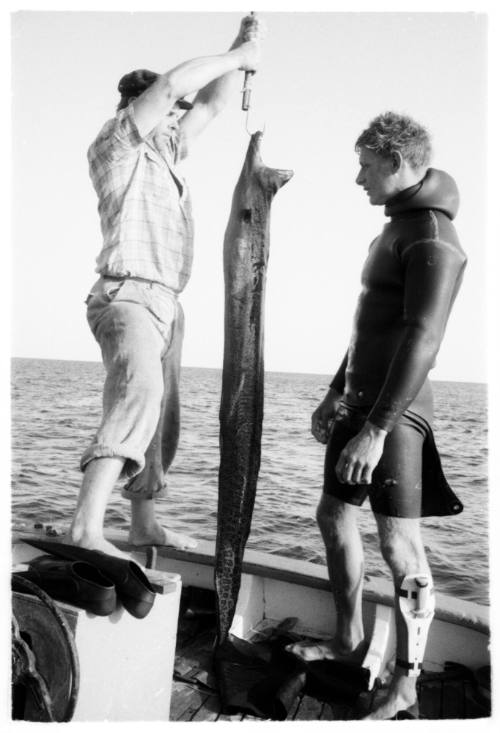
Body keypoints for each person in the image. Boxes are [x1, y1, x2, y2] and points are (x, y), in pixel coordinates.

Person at [287, 112, 467, 720]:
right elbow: (370, 326)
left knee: (399, 545)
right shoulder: (392, 230)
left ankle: (407, 683)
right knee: (333, 513)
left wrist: (378, 427)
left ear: (396, 163)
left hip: (396, 414)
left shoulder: (433, 238)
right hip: (360, 403)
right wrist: (335, 390)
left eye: (366, 165)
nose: (358, 177)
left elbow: (422, 336)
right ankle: (347, 637)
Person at [68, 15, 264, 558]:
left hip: (166, 304)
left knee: (160, 421)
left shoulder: (167, 152)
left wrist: (242, 45)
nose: (177, 120)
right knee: (140, 394)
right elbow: (178, 87)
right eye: (167, 111)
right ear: (139, 108)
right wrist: (238, 60)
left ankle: (144, 524)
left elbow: (210, 105)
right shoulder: (117, 145)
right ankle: (85, 528)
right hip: (127, 294)